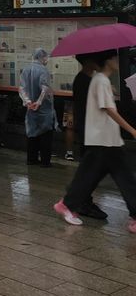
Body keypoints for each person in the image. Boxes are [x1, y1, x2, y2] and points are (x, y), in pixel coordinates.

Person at [54, 49, 136, 233]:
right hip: (103, 140)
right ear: (106, 61)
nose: (116, 61)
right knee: (122, 178)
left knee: (93, 177)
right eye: (113, 58)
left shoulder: (100, 81)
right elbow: (109, 110)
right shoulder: (100, 81)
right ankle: (67, 204)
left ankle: (66, 204)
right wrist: (132, 130)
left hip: (107, 139)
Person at [66, 55, 107, 219]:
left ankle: (82, 200)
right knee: (89, 168)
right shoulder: (84, 81)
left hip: (88, 128)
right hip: (88, 130)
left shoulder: (86, 79)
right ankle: (79, 201)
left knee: (90, 167)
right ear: (89, 62)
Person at [20, 48, 56, 167]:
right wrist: (39, 102)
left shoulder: (26, 69)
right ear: (42, 57)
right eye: (46, 57)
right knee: (46, 134)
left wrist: (28, 102)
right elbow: (45, 88)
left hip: (30, 109)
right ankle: (45, 161)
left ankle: (31, 159)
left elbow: (22, 88)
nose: (47, 59)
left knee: (32, 134)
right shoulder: (43, 70)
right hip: (44, 109)